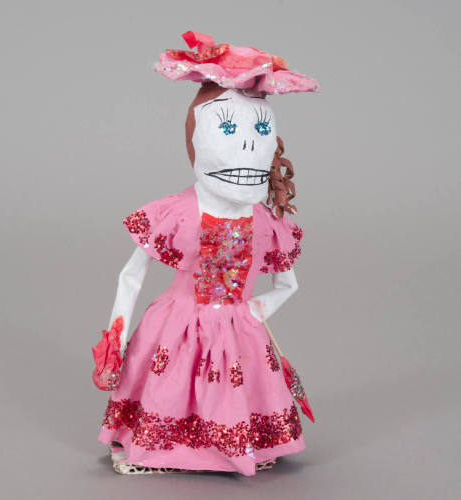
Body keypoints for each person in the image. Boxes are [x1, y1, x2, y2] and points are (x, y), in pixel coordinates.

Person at [94, 31, 319, 476]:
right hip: (175, 327)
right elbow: (131, 275)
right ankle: (171, 449)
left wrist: (254, 310)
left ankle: (227, 447)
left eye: (260, 130)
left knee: (232, 392)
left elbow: (288, 283)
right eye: (228, 129)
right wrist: (114, 339)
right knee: (171, 388)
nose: (249, 144)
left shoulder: (266, 223)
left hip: (239, 328)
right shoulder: (175, 214)